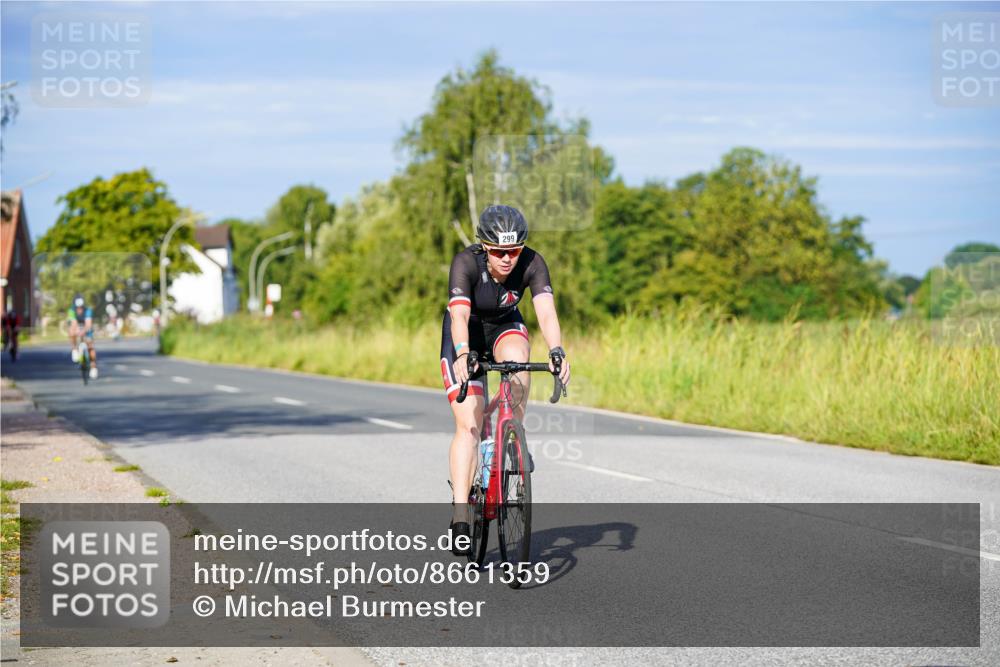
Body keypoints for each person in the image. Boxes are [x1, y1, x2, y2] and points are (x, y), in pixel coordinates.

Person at [440, 205, 571, 555]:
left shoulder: (532, 262)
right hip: (465, 333)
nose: (507, 258)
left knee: (519, 361)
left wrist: (557, 350)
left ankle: (513, 434)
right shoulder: (465, 263)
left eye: (514, 250)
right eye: (498, 251)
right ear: (484, 246)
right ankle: (461, 512)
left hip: (504, 326)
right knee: (469, 421)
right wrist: (465, 353)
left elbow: (545, 309)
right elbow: (460, 315)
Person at [67, 294, 98, 379]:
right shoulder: (71, 311)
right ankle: (74, 350)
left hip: (86, 328)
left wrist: (83, 331)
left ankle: (93, 367)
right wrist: (76, 331)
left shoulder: (88, 310)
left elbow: (88, 324)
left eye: (81, 307)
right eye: (78, 307)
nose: (79, 309)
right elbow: (73, 323)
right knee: (71, 331)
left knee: (90, 345)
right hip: (77, 327)